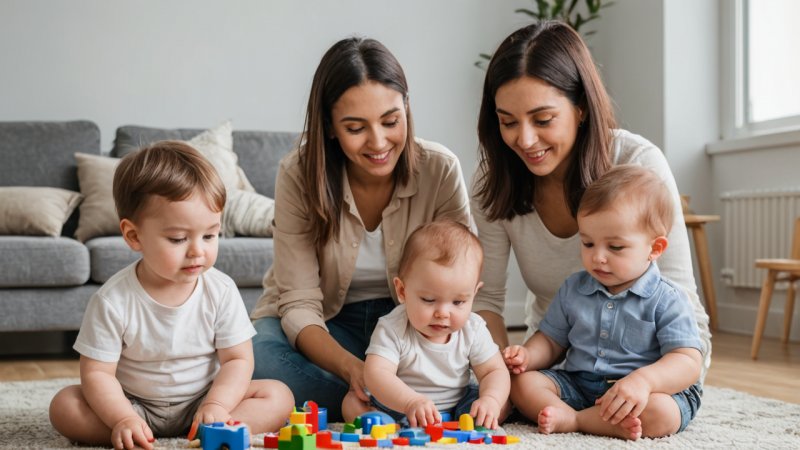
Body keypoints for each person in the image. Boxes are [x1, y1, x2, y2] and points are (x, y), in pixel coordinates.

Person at [471, 21, 711, 376]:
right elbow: (486, 300)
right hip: (554, 360)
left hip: (648, 363)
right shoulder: (494, 182)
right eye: (508, 122)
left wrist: (651, 380)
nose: (525, 140)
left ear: (581, 107)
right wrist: (499, 376)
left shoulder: (637, 162)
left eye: (543, 120)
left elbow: (681, 301)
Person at [249, 37, 471, 422]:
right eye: (355, 128)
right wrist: (354, 369)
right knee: (259, 358)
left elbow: (461, 276)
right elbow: (299, 303)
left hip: (411, 321)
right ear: (330, 127)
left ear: (407, 108)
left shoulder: (440, 169)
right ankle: (404, 398)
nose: (379, 142)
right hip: (326, 325)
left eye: (391, 121)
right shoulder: (298, 174)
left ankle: (378, 400)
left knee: (484, 370)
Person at [49, 141, 294, 450]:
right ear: (134, 236)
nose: (198, 251)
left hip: (204, 402)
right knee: (65, 405)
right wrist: (122, 418)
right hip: (134, 405)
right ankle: (135, 433)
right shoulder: (113, 300)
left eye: (209, 235)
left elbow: (237, 359)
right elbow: (97, 373)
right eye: (178, 238)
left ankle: (218, 429)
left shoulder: (220, 290)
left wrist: (217, 404)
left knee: (279, 395)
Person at [503, 165, 703, 440]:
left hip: (644, 393)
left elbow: (687, 361)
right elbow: (550, 341)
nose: (598, 257)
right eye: (588, 243)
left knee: (662, 413)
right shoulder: (574, 288)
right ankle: (580, 417)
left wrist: (644, 381)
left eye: (615, 247)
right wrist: (527, 356)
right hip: (580, 384)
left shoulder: (668, 298)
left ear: (655, 249)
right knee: (521, 382)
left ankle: (575, 419)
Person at [351, 220, 510, 428]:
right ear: (402, 291)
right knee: (353, 401)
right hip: (399, 406)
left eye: (458, 302)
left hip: (458, 405)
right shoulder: (393, 327)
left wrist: (491, 400)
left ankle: (481, 414)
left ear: (474, 294)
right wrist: (410, 402)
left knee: (500, 403)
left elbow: (493, 371)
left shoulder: (473, 328)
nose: (443, 313)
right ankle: (385, 422)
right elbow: (376, 374)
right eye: (428, 300)